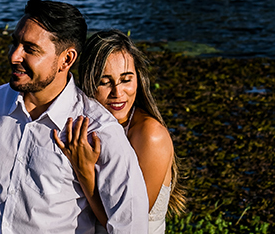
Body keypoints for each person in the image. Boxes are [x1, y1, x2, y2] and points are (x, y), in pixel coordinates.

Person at [0, 0, 149, 234]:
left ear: (66, 59)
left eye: (30, 49)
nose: (14, 56)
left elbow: (130, 225)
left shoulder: (100, 132)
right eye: (15, 44)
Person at [52, 29, 186, 234]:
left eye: (126, 79)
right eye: (104, 82)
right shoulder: (83, 126)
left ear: (138, 79)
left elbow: (126, 223)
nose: (117, 92)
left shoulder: (150, 135)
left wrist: (85, 173)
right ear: (88, 82)